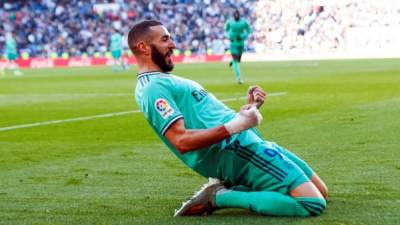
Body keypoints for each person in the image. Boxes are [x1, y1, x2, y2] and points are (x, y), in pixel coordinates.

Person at [128, 20, 328, 217]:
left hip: (248, 142)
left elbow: (208, 116)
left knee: (322, 191)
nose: (173, 45)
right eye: (165, 40)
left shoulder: (163, 80)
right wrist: (237, 125)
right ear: (144, 47)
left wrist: (247, 111)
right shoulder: (152, 88)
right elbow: (181, 140)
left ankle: (236, 187)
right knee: (311, 203)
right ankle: (219, 197)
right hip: (236, 151)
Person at [224, 9, 252, 84]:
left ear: (239, 15)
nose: (236, 16)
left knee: (238, 60)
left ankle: (232, 63)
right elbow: (225, 30)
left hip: (241, 44)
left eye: (237, 15)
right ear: (233, 16)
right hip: (233, 44)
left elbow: (249, 31)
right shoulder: (229, 22)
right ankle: (238, 78)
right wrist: (229, 36)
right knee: (236, 60)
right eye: (235, 15)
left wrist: (243, 36)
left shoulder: (244, 22)